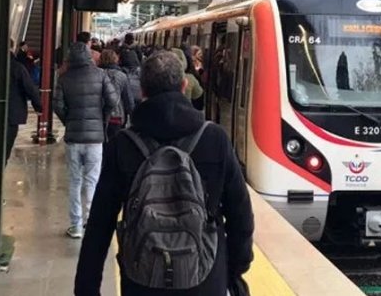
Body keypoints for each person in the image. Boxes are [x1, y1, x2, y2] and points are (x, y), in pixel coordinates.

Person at [74, 51, 254, 296]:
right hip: (205, 276)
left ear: (143, 92)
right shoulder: (215, 138)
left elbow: (100, 223)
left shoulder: (123, 144)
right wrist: (234, 267)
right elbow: (240, 212)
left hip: (142, 277)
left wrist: (87, 287)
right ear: (183, 86)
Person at [53, 42, 117, 239]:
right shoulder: (101, 75)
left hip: (73, 138)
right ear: (89, 56)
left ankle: (76, 226)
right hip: (95, 139)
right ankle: (91, 221)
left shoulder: (63, 79)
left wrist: (69, 121)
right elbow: (113, 101)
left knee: (75, 181)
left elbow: (58, 106)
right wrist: (102, 119)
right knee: (92, 180)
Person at [99, 49, 134, 141]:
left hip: (98, 116)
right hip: (116, 117)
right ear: (115, 59)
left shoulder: (96, 74)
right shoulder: (122, 76)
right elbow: (128, 100)